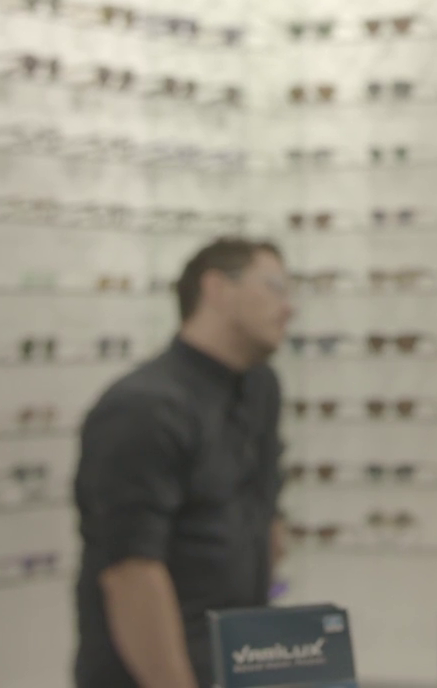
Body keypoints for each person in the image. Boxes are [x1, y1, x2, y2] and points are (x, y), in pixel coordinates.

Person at [73, 237, 293, 688]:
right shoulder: (143, 407)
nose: (290, 308)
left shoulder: (259, 389)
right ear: (216, 289)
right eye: (274, 287)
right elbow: (131, 572)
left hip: (237, 662)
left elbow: (265, 516)